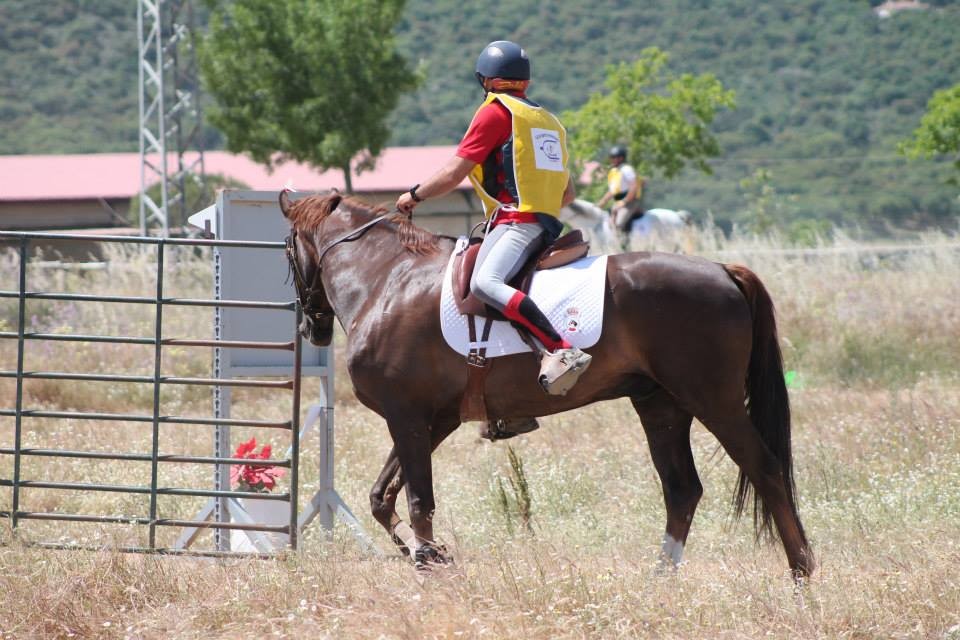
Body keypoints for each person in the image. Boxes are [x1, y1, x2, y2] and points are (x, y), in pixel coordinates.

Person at [397, 40, 593, 438]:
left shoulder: (495, 113)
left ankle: (559, 348)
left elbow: (454, 173)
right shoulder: (548, 121)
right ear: (526, 81)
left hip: (516, 221)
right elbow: (568, 194)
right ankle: (505, 404)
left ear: (485, 80)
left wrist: (413, 195)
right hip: (545, 221)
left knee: (485, 284)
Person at [596, 145, 646, 244]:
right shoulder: (613, 171)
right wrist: (602, 201)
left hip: (630, 202)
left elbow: (634, 186)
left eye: (615, 158)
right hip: (618, 201)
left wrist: (625, 201)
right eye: (612, 158)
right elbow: (612, 190)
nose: (613, 160)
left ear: (622, 158)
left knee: (619, 223)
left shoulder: (626, 169)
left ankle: (624, 245)